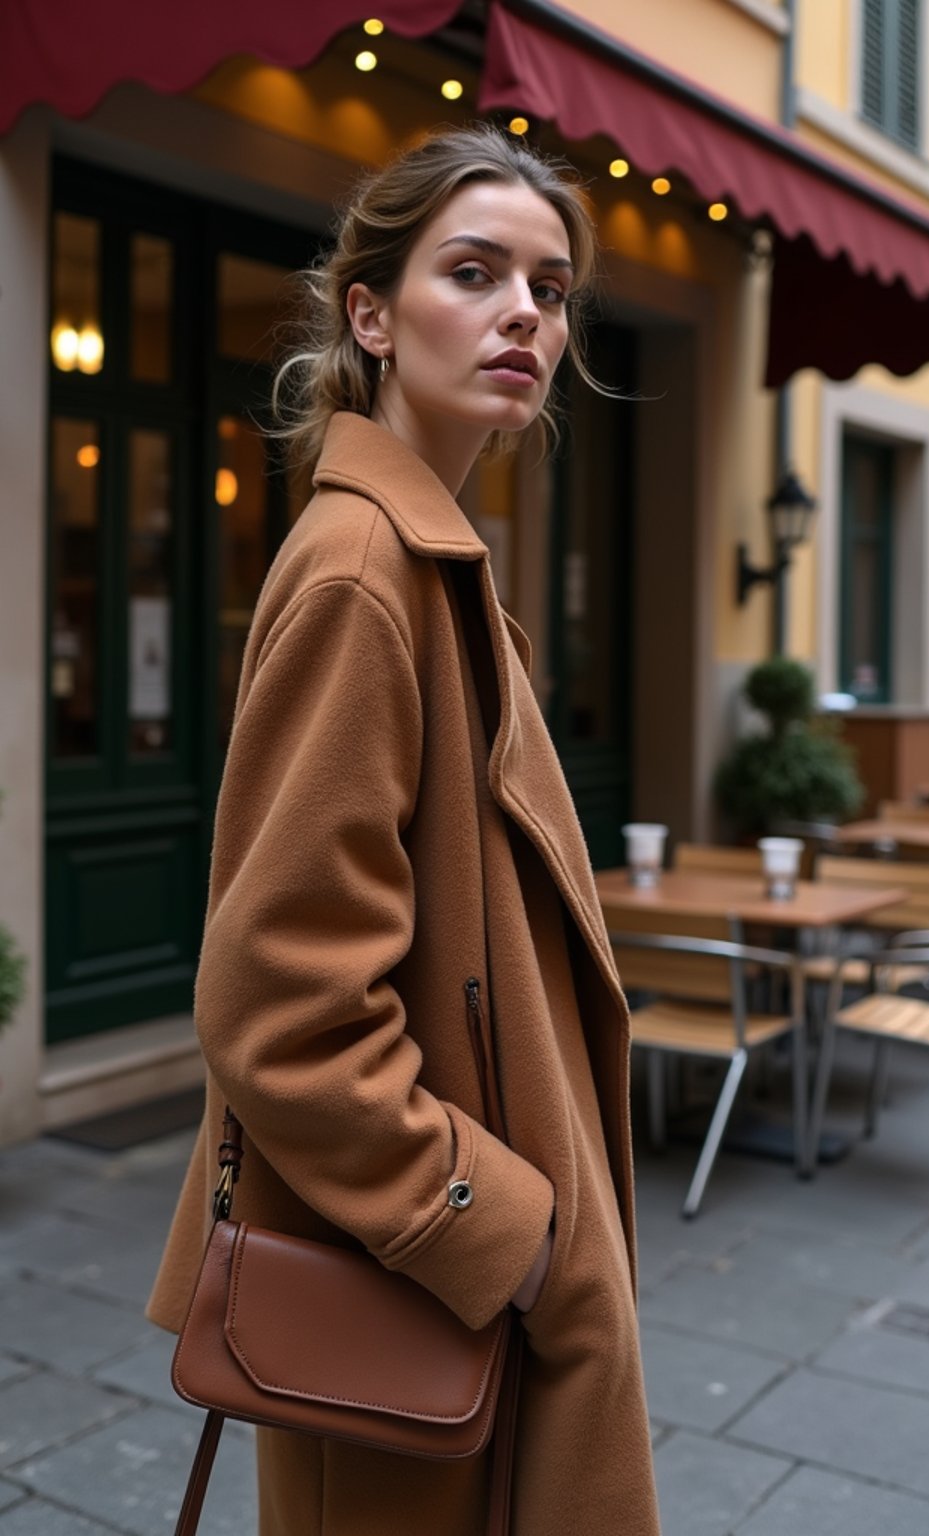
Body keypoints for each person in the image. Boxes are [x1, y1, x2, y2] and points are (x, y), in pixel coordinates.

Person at [148, 123, 661, 1536]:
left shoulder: (430, 565)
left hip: (441, 1320)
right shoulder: (369, 570)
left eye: (550, 290)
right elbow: (281, 1010)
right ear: (369, 313)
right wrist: (515, 1238)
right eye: (476, 272)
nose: (525, 317)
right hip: (421, 1315)